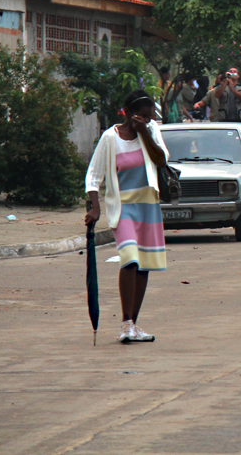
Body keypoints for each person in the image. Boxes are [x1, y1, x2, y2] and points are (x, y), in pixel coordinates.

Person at [85, 91, 169, 343]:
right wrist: (95, 208)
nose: (147, 119)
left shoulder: (151, 131)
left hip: (148, 207)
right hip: (123, 209)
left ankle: (133, 324)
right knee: (130, 260)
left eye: (150, 115)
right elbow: (93, 176)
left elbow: (161, 160)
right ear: (127, 113)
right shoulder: (110, 138)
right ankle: (126, 323)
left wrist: (145, 132)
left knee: (144, 265)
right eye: (141, 116)